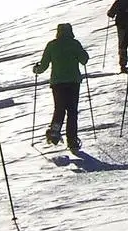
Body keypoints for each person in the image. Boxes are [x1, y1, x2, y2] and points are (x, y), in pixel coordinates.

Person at [33, 23, 90, 153]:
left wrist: (36, 69)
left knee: (59, 108)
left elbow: (44, 66)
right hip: (73, 81)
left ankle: (55, 131)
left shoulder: (52, 45)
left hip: (57, 83)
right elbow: (84, 60)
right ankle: (72, 140)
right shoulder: (74, 43)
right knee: (72, 111)